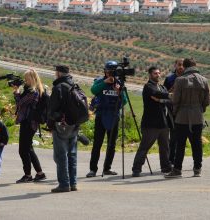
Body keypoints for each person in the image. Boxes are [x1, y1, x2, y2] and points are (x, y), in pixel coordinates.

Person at [165, 58, 210, 178]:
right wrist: (200, 111)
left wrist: (176, 112)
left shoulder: (180, 80)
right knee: (197, 143)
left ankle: (177, 169)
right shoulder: (204, 80)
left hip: (182, 116)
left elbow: (175, 100)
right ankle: (197, 169)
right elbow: (206, 101)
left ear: (184, 67)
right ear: (195, 66)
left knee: (180, 144)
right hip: (197, 116)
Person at [86, 61, 128, 178]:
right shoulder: (100, 81)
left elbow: (124, 101)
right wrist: (105, 82)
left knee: (111, 144)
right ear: (105, 71)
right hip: (101, 115)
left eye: (112, 71)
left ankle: (107, 168)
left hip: (114, 116)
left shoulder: (119, 83)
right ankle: (93, 169)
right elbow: (93, 90)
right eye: (108, 71)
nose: (109, 73)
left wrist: (118, 91)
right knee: (97, 144)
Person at [132, 66, 173, 177]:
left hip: (163, 123)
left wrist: (160, 100)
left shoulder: (162, 87)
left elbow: (169, 101)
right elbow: (157, 94)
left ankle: (166, 167)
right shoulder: (148, 87)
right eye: (155, 73)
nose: (158, 75)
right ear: (150, 74)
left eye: (159, 73)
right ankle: (136, 169)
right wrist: (167, 96)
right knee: (144, 147)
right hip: (150, 124)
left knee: (165, 147)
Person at [47, 65, 79, 193]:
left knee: (61, 156)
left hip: (61, 126)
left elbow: (52, 110)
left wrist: (51, 124)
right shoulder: (74, 86)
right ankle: (73, 183)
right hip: (74, 125)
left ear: (59, 73)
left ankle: (64, 184)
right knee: (72, 155)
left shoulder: (59, 87)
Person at [14, 69, 46, 183]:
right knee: (28, 148)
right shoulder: (33, 90)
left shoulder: (33, 92)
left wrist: (16, 92)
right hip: (29, 122)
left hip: (29, 123)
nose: (25, 81)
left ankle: (27, 175)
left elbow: (20, 103)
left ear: (32, 79)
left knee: (23, 150)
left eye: (27, 78)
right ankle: (40, 173)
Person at [163, 59, 184, 165]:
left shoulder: (188, 78)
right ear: (175, 66)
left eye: (183, 65)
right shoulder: (169, 78)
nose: (181, 67)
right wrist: (172, 90)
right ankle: (171, 159)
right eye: (179, 65)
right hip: (173, 112)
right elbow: (163, 94)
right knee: (173, 137)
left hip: (185, 111)